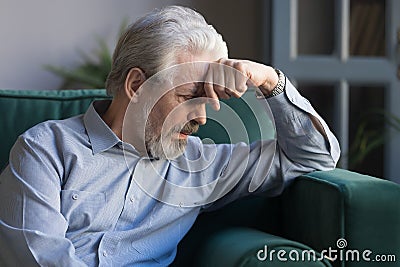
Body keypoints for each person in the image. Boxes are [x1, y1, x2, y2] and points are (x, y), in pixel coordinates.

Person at [0, 5, 340, 266]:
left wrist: (270, 81)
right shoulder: (44, 151)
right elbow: (40, 258)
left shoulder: (200, 166)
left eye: (209, 102)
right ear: (136, 86)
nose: (201, 118)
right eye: (189, 95)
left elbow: (314, 155)